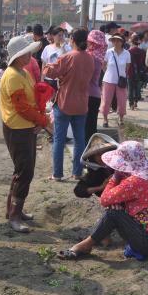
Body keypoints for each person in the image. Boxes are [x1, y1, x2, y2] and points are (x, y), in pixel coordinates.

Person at [58, 141, 148, 260]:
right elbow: (81, 190)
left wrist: (115, 176)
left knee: (113, 213)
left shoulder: (136, 181)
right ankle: (94, 240)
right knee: (115, 208)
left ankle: (86, 245)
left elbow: (104, 199)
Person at [0, 35, 50, 232]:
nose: (30, 55)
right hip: (17, 127)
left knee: (23, 170)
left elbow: (32, 102)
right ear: (18, 56)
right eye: (26, 52)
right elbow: (21, 107)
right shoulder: (12, 75)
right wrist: (42, 120)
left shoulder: (23, 72)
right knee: (24, 171)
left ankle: (14, 211)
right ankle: (14, 215)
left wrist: (38, 119)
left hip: (26, 126)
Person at [43, 28, 95, 181]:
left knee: (59, 139)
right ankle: (77, 172)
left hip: (65, 102)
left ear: (72, 39)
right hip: (81, 103)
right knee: (80, 140)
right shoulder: (90, 58)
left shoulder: (68, 57)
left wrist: (56, 54)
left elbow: (49, 72)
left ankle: (57, 174)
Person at [101, 33, 131, 127]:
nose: (116, 42)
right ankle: (105, 119)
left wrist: (122, 75)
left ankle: (121, 118)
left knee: (122, 100)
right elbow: (103, 65)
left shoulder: (127, 53)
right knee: (106, 100)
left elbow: (127, 67)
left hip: (121, 81)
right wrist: (108, 73)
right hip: (108, 80)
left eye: (118, 40)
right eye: (114, 40)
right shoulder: (109, 52)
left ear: (122, 42)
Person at [74, 133, 117, 199]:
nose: (102, 157)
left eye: (105, 153)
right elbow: (78, 191)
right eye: (99, 155)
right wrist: (101, 187)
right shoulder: (93, 172)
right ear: (93, 157)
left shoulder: (117, 164)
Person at [85, 30, 106, 142]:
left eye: (89, 41)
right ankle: (92, 152)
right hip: (96, 94)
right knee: (92, 125)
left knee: (86, 127)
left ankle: (86, 153)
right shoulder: (99, 57)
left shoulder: (90, 57)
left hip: (87, 94)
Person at [128, 34, 146, 111]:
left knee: (130, 89)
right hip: (140, 72)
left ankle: (131, 104)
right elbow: (144, 63)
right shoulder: (142, 51)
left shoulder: (128, 51)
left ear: (131, 42)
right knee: (137, 88)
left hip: (130, 72)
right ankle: (135, 102)